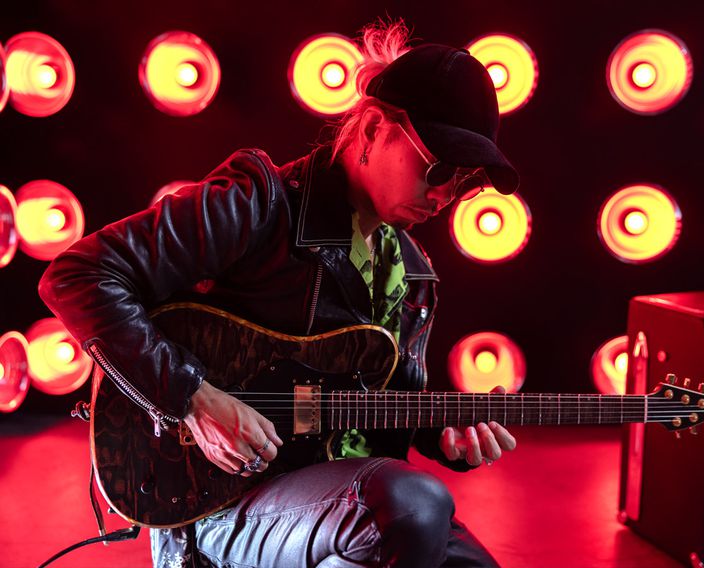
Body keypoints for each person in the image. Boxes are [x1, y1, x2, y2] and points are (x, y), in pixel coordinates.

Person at [39, 20, 520, 568]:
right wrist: (193, 399)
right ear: (370, 130)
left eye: (464, 181)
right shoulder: (258, 203)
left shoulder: (413, 276)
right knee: (413, 506)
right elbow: (77, 275)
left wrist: (445, 439)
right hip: (220, 505)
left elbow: (357, 409)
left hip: (340, 505)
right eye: (436, 167)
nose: (445, 194)